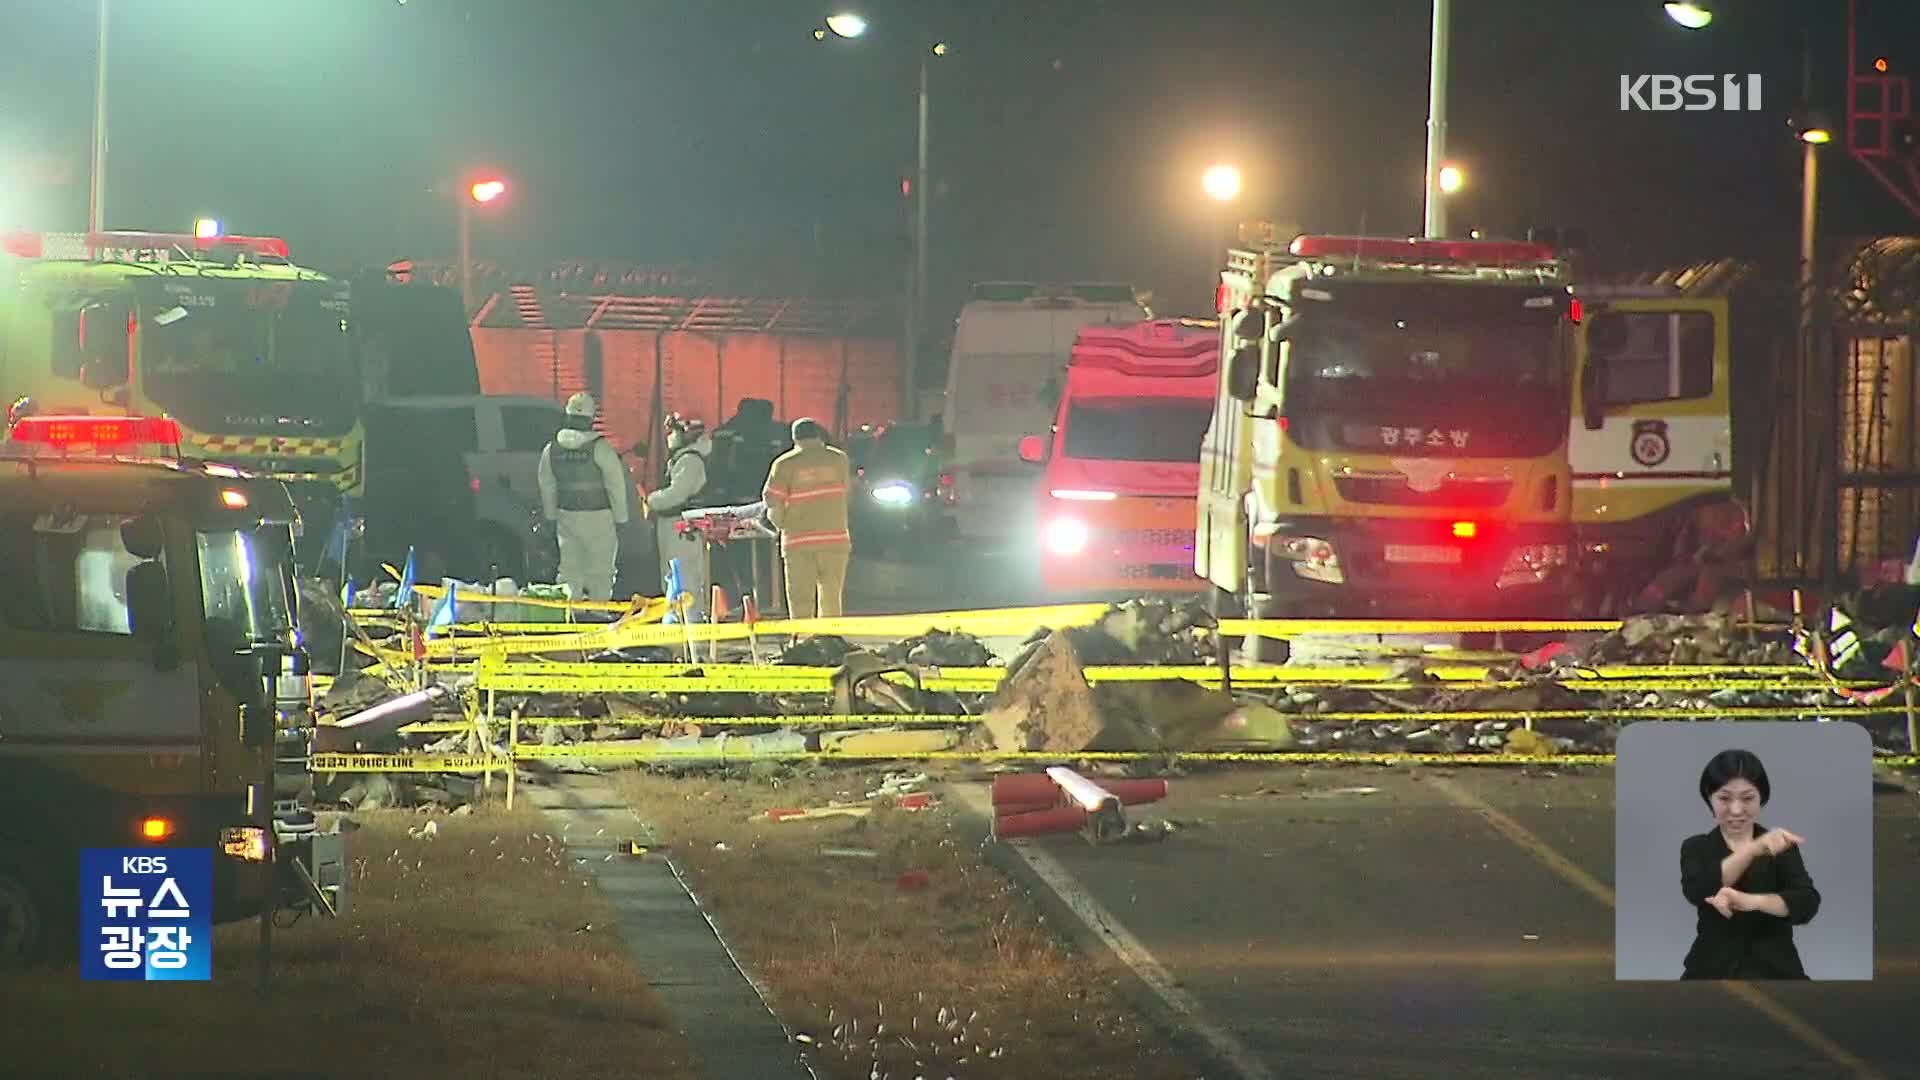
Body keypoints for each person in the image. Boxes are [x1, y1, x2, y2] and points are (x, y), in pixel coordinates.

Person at [1678, 748, 1820, 979]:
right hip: (1709, 970)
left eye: (1747, 798)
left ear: (1761, 798)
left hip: (1777, 970)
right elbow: (1698, 890)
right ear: (1709, 799)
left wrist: (1752, 901)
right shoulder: (1695, 847)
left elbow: (1806, 903)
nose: (1736, 810)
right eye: (1724, 798)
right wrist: (1755, 848)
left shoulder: (1781, 846)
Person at [536, 392, 629, 602]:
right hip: (599, 518)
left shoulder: (552, 449)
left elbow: (547, 486)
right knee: (601, 571)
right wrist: (621, 519)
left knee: (569, 571)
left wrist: (550, 517)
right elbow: (616, 486)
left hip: (566, 517)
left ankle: (571, 618)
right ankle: (599, 612)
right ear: (590, 418)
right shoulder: (601, 449)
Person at [763, 418, 852, 619]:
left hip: (799, 543)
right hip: (836, 541)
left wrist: (781, 525)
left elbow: (773, 502)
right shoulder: (839, 459)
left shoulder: (784, 464)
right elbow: (845, 492)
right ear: (818, 434)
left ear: (794, 437)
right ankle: (831, 643)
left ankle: (805, 644)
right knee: (831, 599)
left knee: (801, 600)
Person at [646, 413, 715, 619]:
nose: (670, 437)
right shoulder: (685, 458)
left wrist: (651, 500)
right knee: (675, 579)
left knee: (684, 580)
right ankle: (679, 628)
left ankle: (688, 630)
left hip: (681, 528)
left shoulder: (690, 461)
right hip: (677, 527)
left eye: (674, 432)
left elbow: (676, 495)